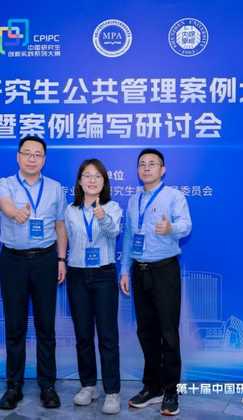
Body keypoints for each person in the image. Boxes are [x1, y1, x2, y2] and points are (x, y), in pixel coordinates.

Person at [0, 135, 68, 410]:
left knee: (46, 326)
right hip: (13, 261)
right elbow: (5, 204)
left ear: (44, 160)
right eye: (27, 153)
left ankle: (47, 385)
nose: (32, 158)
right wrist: (16, 213)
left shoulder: (55, 188)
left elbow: (60, 226)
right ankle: (14, 386)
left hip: (46, 259)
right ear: (18, 157)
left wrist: (61, 259)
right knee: (15, 326)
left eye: (38, 154)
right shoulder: (5, 184)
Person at [119, 148, 192, 416]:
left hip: (164, 270)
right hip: (140, 272)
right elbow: (129, 237)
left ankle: (171, 391)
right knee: (146, 332)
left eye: (153, 163)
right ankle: (152, 387)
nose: (147, 168)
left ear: (163, 169)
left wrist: (171, 228)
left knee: (168, 333)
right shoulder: (133, 200)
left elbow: (186, 225)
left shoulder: (174, 196)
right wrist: (125, 270)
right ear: (138, 170)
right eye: (142, 164)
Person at [64, 159, 123, 415]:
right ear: (79, 181)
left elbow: (113, 232)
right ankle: (88, 386)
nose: (92, 180)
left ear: (104, 182)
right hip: (77, 274)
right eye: (87, 175)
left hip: (104, 274)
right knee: (83, 335)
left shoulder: (113, 207)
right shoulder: (70, 210)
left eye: (97, 176)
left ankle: (112, 392)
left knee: (108, 336)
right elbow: (69, 238)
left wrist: (102, 217)